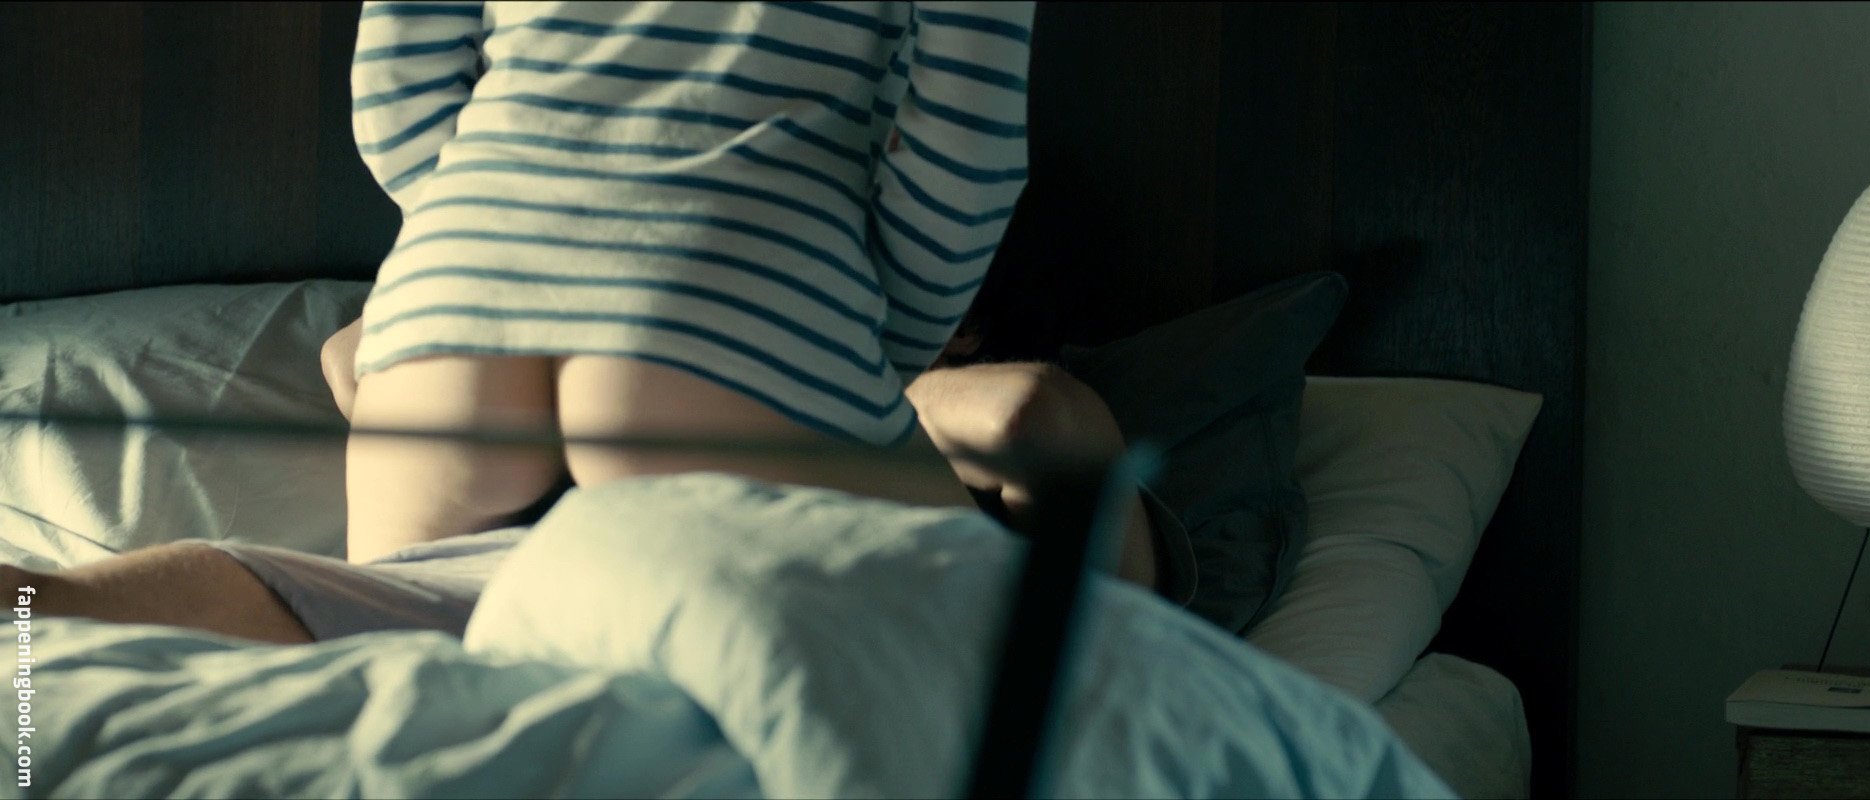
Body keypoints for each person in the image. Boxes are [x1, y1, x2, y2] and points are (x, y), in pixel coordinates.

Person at [342, 1, 1036, 565]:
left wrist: (489, 236)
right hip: (734, 283)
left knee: (398, 673)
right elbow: (965, 150)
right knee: (1013, 634)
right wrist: (866, 348)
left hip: (456, 288)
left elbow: (396, 86)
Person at [3, 313, 1174, 645]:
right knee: (307, 594)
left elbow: (1035, 414)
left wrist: (839, 375)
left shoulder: (986, 438)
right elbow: (353, 356)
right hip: (526, 572)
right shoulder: (584, 394)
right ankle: (31, 612)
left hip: (800, 592)